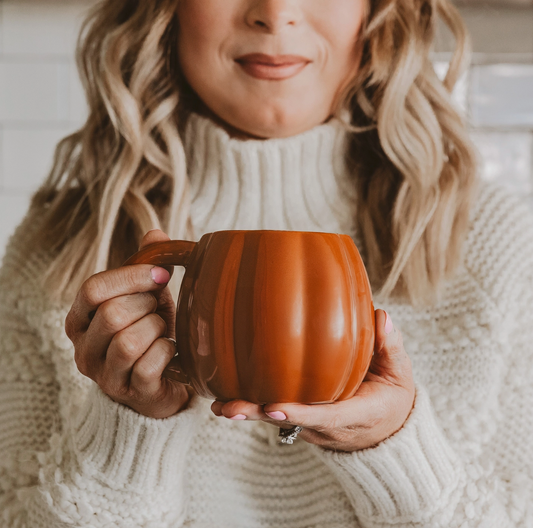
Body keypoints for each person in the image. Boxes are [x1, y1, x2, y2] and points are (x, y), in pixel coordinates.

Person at [0, 0, 532, 526]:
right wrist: (131, 427)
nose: (276, 14)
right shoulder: (57, 249)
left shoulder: (496, 244)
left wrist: (391, 449)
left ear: (377, 12)